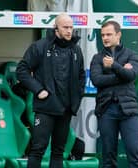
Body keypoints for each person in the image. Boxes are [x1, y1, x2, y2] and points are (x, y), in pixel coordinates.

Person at [16, 13, 85, 168]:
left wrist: (76, 97)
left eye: (71, 27)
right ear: (56, 28)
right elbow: (22, 71)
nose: (69, 31)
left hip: (66, 109)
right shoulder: (40, 46)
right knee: (37, 149)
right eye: (65, 27)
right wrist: (38, 89)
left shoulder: (76, 50)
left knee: (59, 151)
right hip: (45, 108)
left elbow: (81, 76)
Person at [90, 20, 138, 168]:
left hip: (129, 111)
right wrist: (121, 73)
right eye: (102, 35)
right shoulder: (97, 58)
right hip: (106, 110)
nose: (105, 38)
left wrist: (113, 66)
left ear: (118, 35)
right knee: (108, 157)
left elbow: (131, 75)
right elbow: (97, 80)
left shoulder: (132, 54)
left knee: (135, 153)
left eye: (109, 34)